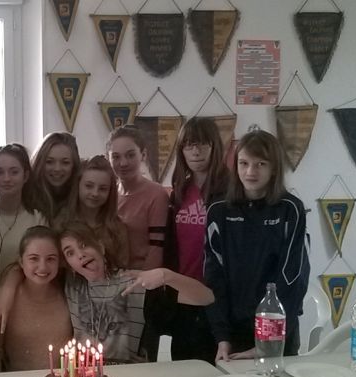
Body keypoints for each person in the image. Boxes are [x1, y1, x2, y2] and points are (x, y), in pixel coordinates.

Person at [204, 128, 309, 363]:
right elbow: (213, 278)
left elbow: (292, 279)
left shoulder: (290, 209)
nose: (250, 172)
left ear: (274, 169)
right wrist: (222, 337)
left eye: (261, 164)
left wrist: (268, 341)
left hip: (277, 331)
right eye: (244, 163)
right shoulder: (218, 210)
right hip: (231, 332)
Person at [59, 221, 214, 364]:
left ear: (101, 247)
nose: (80, 254)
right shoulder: (70, 287)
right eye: (70, 253)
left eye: (84, 245)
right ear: (69, 265)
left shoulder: (136, 284)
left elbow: (207, 297)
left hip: (129, 375)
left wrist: (166, 275)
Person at [161, 117, 229, 362]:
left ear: (215, 146)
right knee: (184, 368)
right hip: (184, 295)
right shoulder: (179, 191)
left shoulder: (232, 190)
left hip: (218, 297)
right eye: (188, 145)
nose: (195, 151)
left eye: (202, 144)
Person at [0, 226, 72, 371]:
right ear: (21, 262)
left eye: (50, 259)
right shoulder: (6, 299)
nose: (43, 267)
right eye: (34, 258)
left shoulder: (68, 293)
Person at [107, 126, 169, 270]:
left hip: (143, 276)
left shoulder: (157, 194)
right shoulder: (108, 194)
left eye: (130, 155)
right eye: (116, 157)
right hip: (111, 276)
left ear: (143, 155)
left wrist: (142, 281)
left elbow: (156, 250)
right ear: (107, 158)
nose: (123, 163)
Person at [0, 144, 46, 282]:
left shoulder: (37, 219)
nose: (6, 178)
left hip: (24, 292)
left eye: (14, 172)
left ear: (25, 176)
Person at [57, 155, 129, 269]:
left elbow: (122, 268)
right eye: (89, 186)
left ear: (110, 192)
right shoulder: (61, 223)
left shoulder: (117, 228)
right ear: (78, 185)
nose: (95, 193)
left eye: (103, 189)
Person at [26, 132, 81, 226]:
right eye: (49, 162)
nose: (57, 169)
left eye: (65, 162)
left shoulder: (82, 195)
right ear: (40, 162)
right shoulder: (26, 196)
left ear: (74, 165)